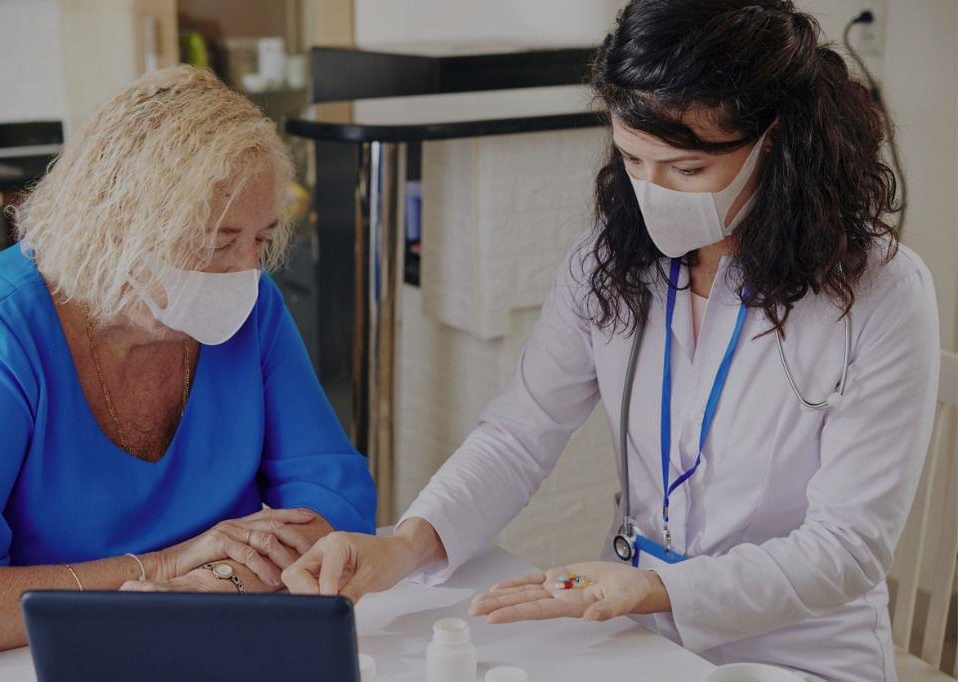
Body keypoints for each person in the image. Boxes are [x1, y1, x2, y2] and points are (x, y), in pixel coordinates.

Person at [281, 2, 940, 680]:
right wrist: (405, 546)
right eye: (631, 158)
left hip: (798, 653)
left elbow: (846, 549)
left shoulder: (881, 294)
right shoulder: (615, 257)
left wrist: (659, 589)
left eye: (685, 170)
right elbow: (519, 432)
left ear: (778, 141)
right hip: (638, 637)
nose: (652, 193)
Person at [0, 66, 375, 666]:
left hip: (220, 643)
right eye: (219, 242)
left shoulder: (251, 309)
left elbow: (336, 504)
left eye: (261, 239)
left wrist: (208, 584)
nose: (248, 271)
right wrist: (158, 571)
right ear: (117, 229)